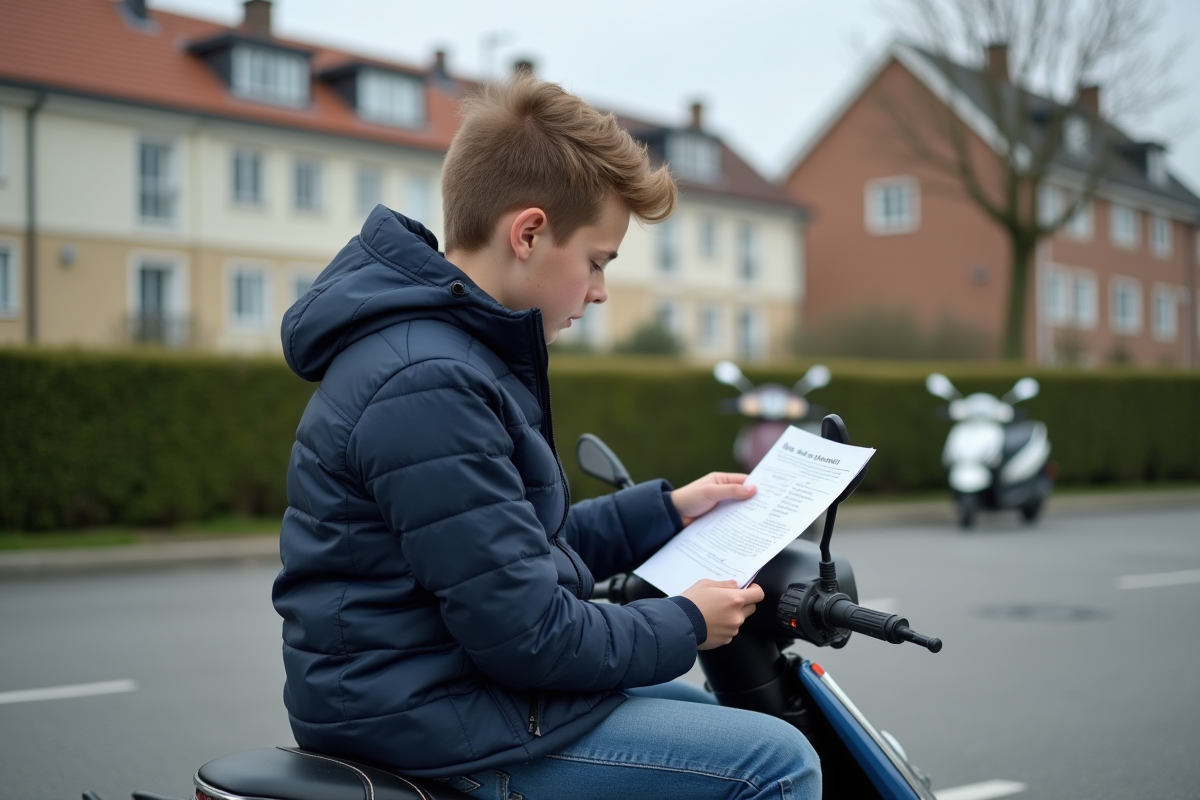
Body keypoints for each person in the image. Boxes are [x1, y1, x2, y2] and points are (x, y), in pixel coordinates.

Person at [272, 74, 821, 800]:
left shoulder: (449, 355)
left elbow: (509, 551)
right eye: (596, 261)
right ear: (528, 232)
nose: (599, 291)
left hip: (448, 695)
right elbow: (528, 632)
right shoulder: (428, 380)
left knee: (699, 713)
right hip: (430, 722)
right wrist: (687, 621)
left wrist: (663, 512)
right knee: (778, 762)